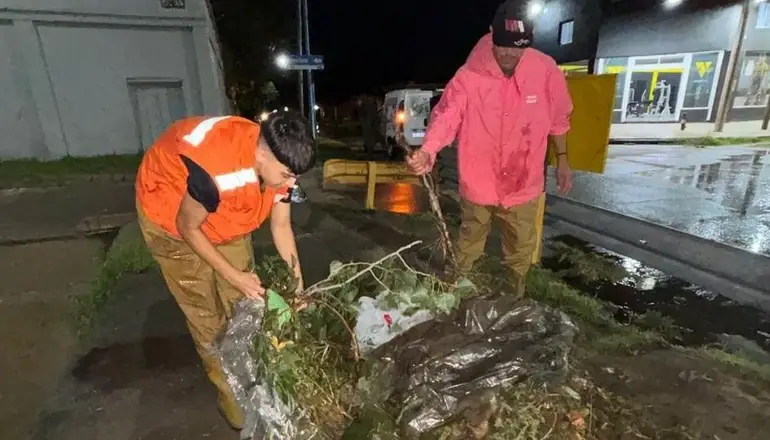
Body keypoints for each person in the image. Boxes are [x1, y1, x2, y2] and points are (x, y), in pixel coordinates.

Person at [134, 110, 316, 429]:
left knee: (243, 304)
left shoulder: (277, 163)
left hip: (224, 216)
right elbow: (188, 227)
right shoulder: (216, 172)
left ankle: (251, 376)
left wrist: (298, 288)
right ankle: (231, 399)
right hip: (171, 219)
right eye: (287, 174)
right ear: (262, 154)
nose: (292, 183)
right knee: (207, 316)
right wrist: (235, 276)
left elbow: (281, 226)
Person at [406, 0, 574, 298]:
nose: (509, 54)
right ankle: (454, 295)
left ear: (529, 42)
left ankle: (514, 298)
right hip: (479, 181)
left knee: (520, 249)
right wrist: (428, 150)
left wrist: (562, 159)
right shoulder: (469, 75)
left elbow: (559, 120)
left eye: (517, 48)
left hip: (523, 182)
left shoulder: (546, 70)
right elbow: (447, 115)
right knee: (468, 245)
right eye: (502, 46)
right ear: (491, 34)